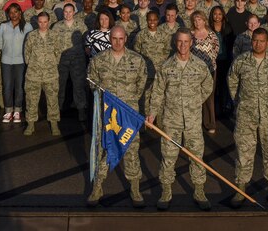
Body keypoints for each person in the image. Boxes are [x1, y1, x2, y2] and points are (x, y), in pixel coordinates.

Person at [148, 30, 214, 211]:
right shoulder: (166, 66)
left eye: (186, 42)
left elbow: (208, 85)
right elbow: (158, 92)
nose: (183, 45)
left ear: (191, 43)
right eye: (180, 42)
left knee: (196, 157)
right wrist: (152, 114)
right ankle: (166, 192)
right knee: (168, 158)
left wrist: (195, 100)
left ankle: (199, 191)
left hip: (193, 121)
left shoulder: (200, 65)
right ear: (175, 43)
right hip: (171, 120)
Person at [86, 26, 150, 208]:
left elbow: (142, 82)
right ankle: (97, 187)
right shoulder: (98, 60)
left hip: (129, 114)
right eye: (114, 38)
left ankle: (135, 188)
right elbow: (91, 81)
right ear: (110, 39)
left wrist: (128, 101)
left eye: (121, 38)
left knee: (131, 150)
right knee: (103, 149)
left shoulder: (137, 60)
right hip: (107, 116)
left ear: (126, 38)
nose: (117, 42)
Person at [227, 28, 268, 209]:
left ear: (267, 43)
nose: (258, 44)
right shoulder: (241, 61)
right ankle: (240, 189)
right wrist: (238, 102)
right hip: (246, 115)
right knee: (243, 153)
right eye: (255, 40)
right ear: (251, 41)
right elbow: (232, 81)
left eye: (262, 41)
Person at [23, 12, 64, 136]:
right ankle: (30, 124)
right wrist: (34, 65)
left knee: (52, 100)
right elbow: (27, 54)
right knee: (31, 99)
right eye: (40, 22)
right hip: (33, 74)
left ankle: (54, 123)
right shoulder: (31, 36)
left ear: (49, 21)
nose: (43, 24)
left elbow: (58, 52)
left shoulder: (54, 35)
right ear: (37, 22)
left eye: (45, 22)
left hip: (50, 74)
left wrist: (50, 64)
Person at [53, 3, 89, 122]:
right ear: (63, 13)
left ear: (74, 12)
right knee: (59, 85)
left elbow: (86, 42)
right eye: (65, 12)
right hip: (61, 61)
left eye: (70, 11)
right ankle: (57, 110)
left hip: (77, 61)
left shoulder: (81, 25)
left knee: (78, 86)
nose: (68, 14)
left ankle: (81, 110)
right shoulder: (57, 26)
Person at [0, 4, 33, 123]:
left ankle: (17, 110)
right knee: (7, 86)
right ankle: (8, 111)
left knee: (19, 86)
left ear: (20, 13)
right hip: (6, 62)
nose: (13, 15)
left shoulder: (27, 26)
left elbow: (30, 44)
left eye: (16, 12)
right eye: (11, 12)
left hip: (21, 62)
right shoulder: (3, 26)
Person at [189, 11, 220, 134]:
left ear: (204, 21)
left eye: (200, 20)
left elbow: (216, 50)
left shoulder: (212, 35)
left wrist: (206, 64)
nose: (197, 22)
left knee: (208, 96)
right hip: (193, 71)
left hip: (210, 69)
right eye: (195, 20)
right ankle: (194, 123)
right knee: (193, 96)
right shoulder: (190, 35)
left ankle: (210, 123)